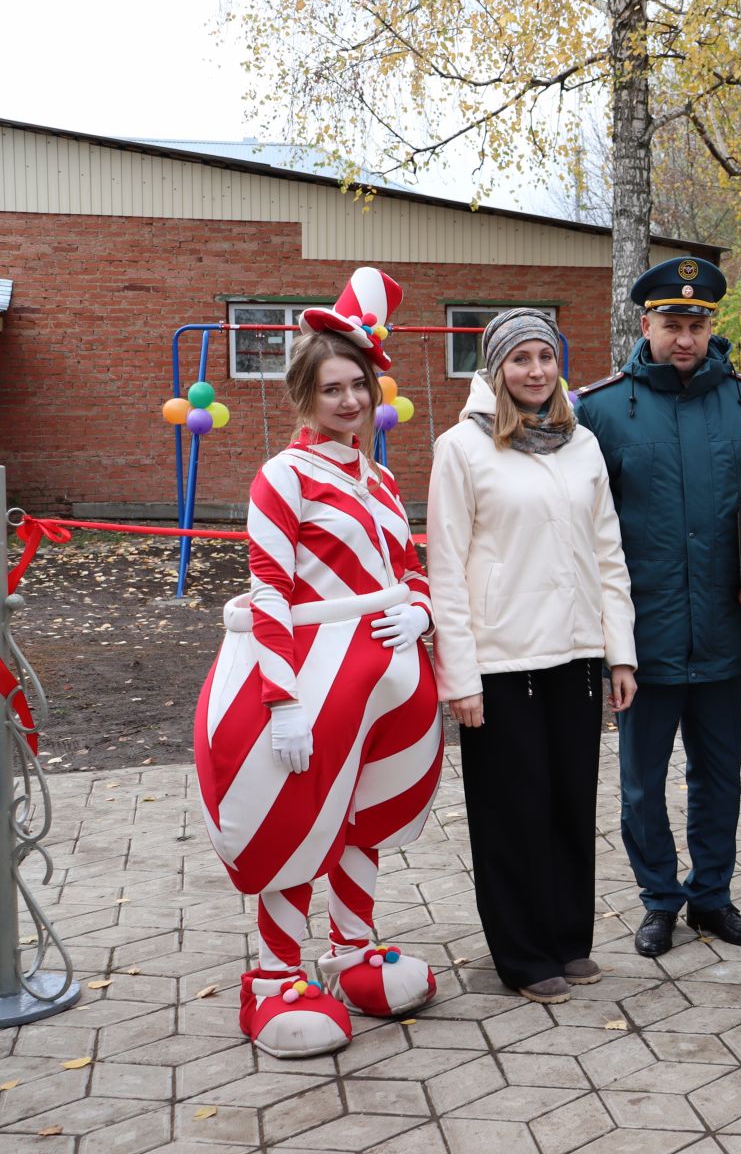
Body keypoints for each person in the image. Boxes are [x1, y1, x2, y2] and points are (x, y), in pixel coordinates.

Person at [193, 268, 441, 1059]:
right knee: (300, 821)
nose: (349, 401)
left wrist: (421, 611)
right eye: (331, 388)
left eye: (358, 386)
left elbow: (408, 570)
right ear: (304, 394)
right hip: (309, 678)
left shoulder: (380, 478)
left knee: (359, 817)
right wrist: (281, 699)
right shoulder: (284, 477)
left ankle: (354, 946)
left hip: (380, 678)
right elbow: (268, 590)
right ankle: (272, 977)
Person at [427, 308, 639, 1004]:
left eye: (546, 358)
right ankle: (522, 953)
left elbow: (607, 552)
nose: (536, 372)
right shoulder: (461, 449)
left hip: (576, 654)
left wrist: (620, 655)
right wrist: (459, 676)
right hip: (501, 660)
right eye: (521, 360)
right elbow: (448, 569)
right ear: (496, 369)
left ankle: (568, 938)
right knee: (513, 810)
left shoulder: (581, 444)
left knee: (571, 805)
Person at [575, 257, 741, 958]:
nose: (683, 338)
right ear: (646, 324)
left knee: (718, 775)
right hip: (644, 632)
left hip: (722, 625)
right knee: (640, 783)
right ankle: (660, 900)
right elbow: (581, 523)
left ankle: (712, 897)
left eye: (695, 324)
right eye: (670, 324)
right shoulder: (598, 409)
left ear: (711, 325)